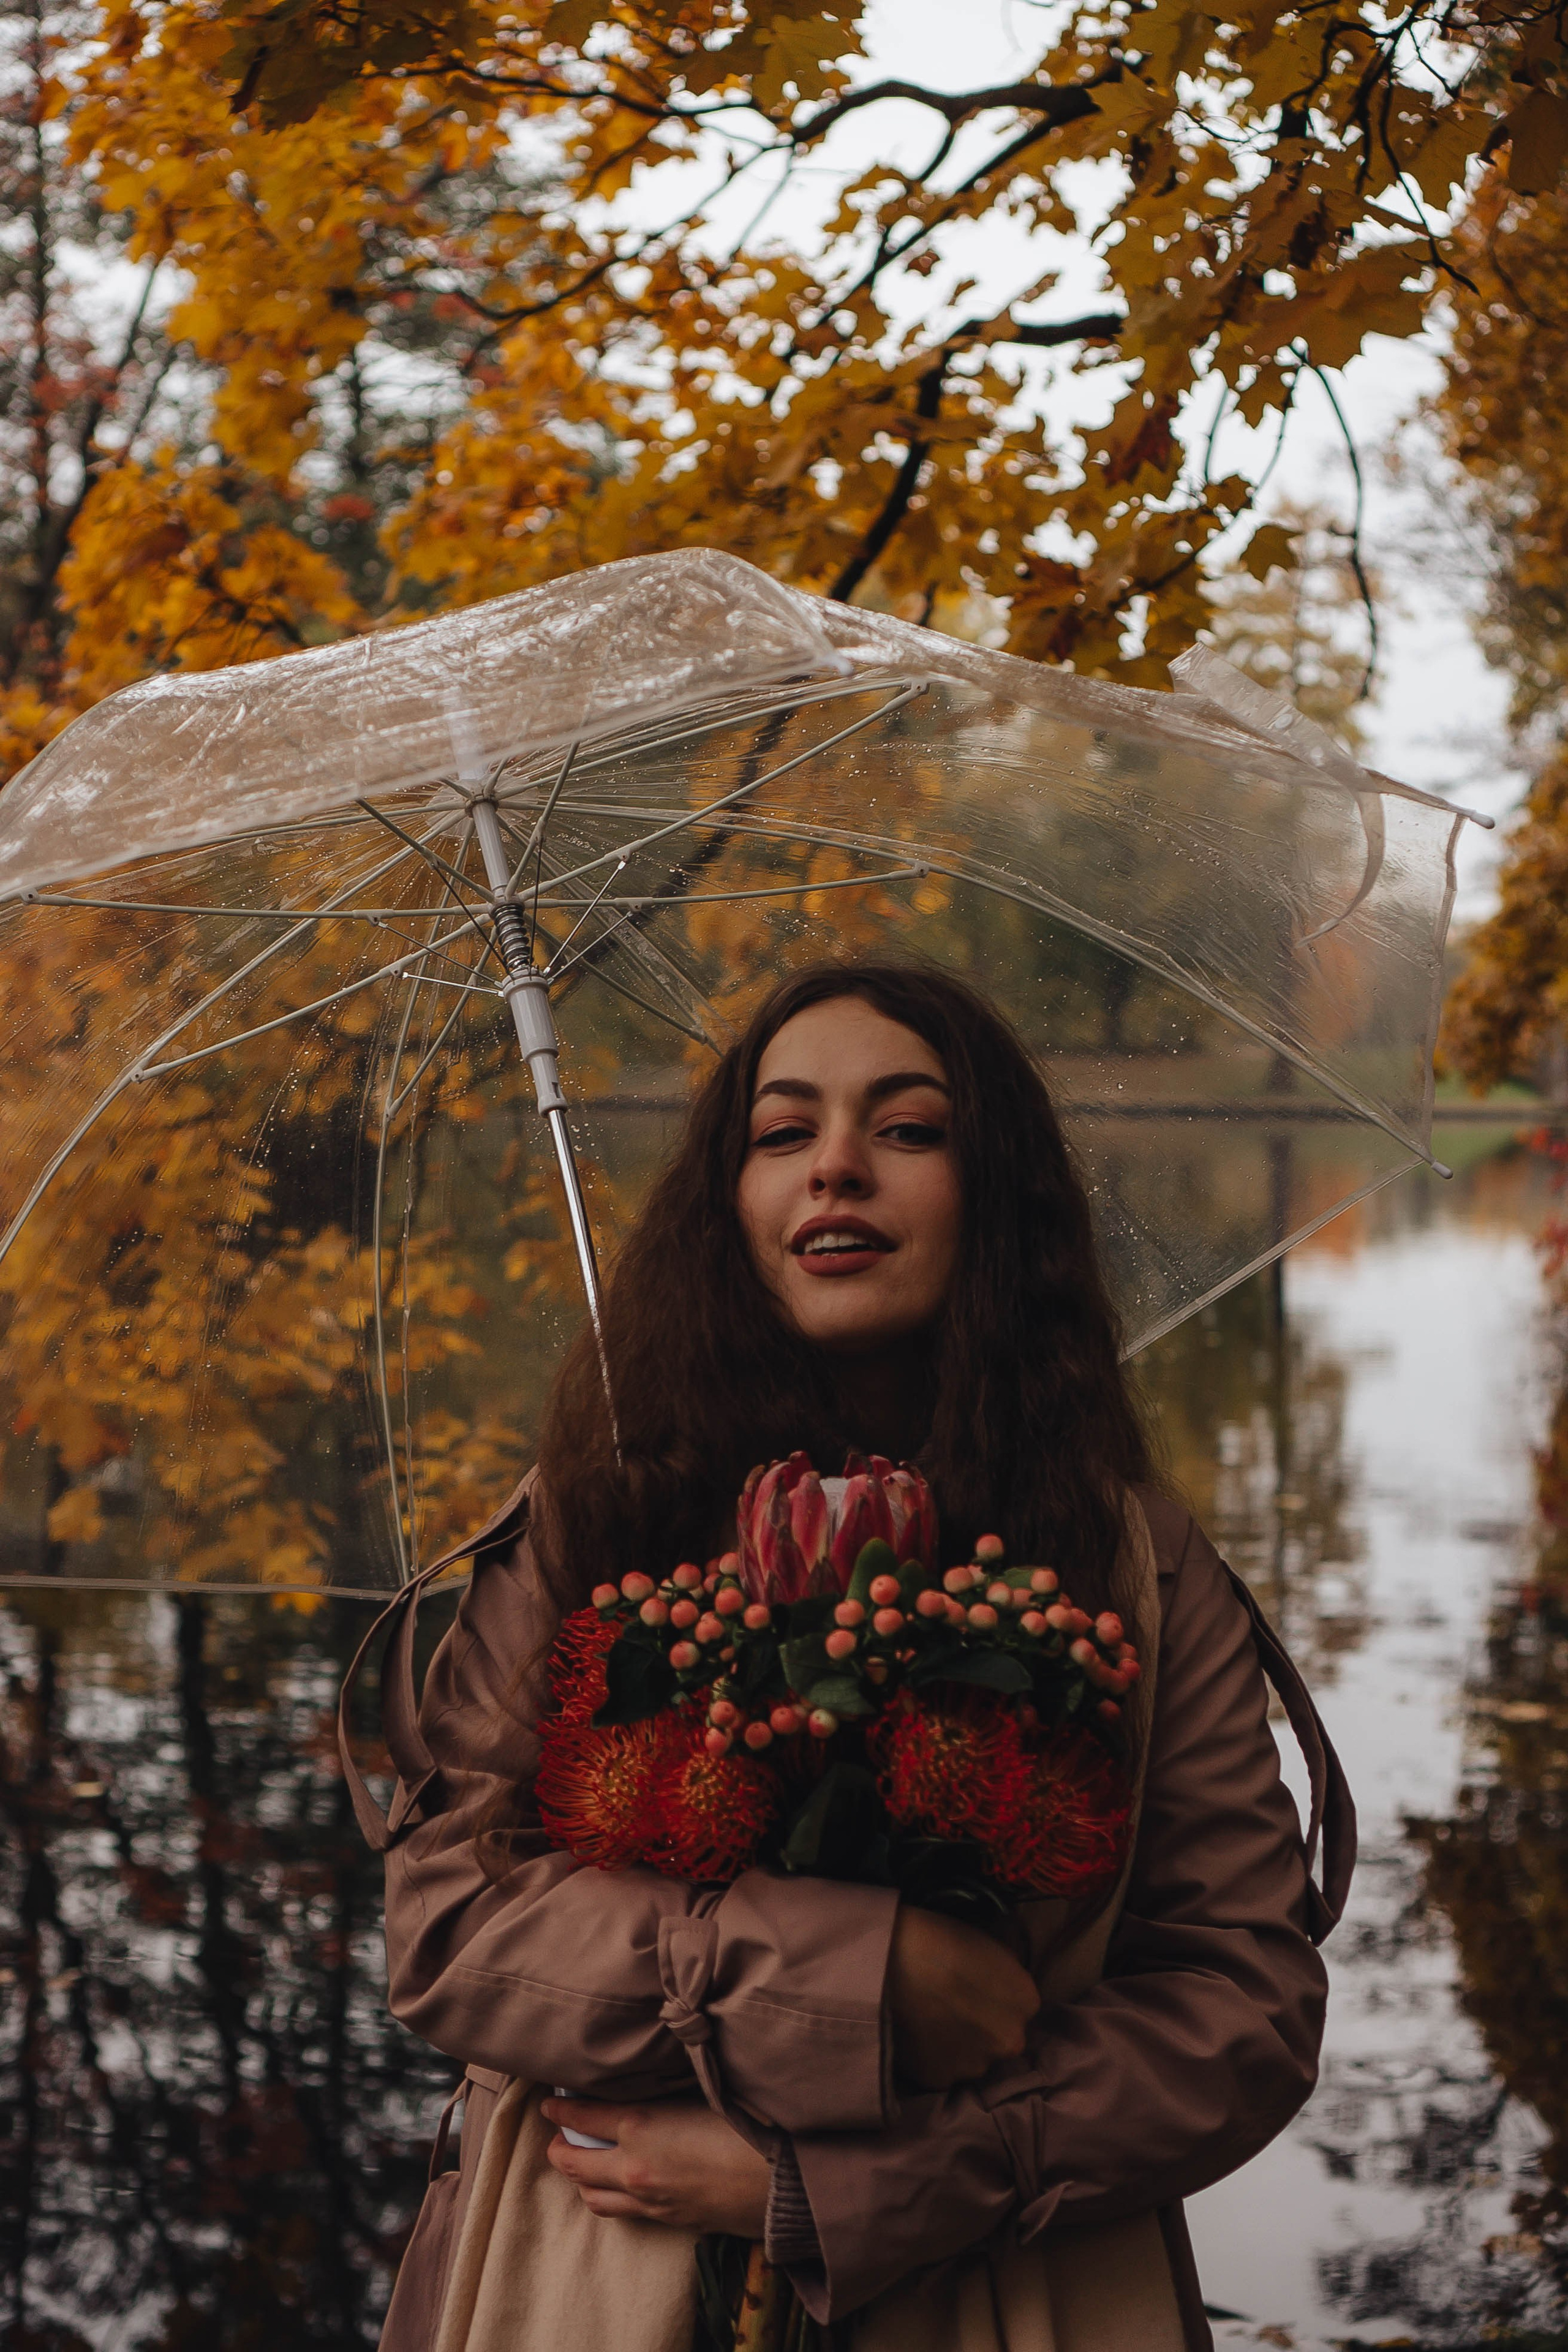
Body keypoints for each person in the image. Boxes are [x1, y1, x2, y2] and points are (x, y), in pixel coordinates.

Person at [339, 962, 1354, 2352]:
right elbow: (449, 1926)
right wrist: (846, 1976)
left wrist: (840, 2190)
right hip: (600, 2271)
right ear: (731, 1201)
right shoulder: (596, 1505)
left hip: (1005, 2289)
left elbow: (1239, 2006)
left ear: (991, 1197)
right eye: (781, 1133)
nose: (834, 1169)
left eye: (907, 1129)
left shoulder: (1127, 1555)